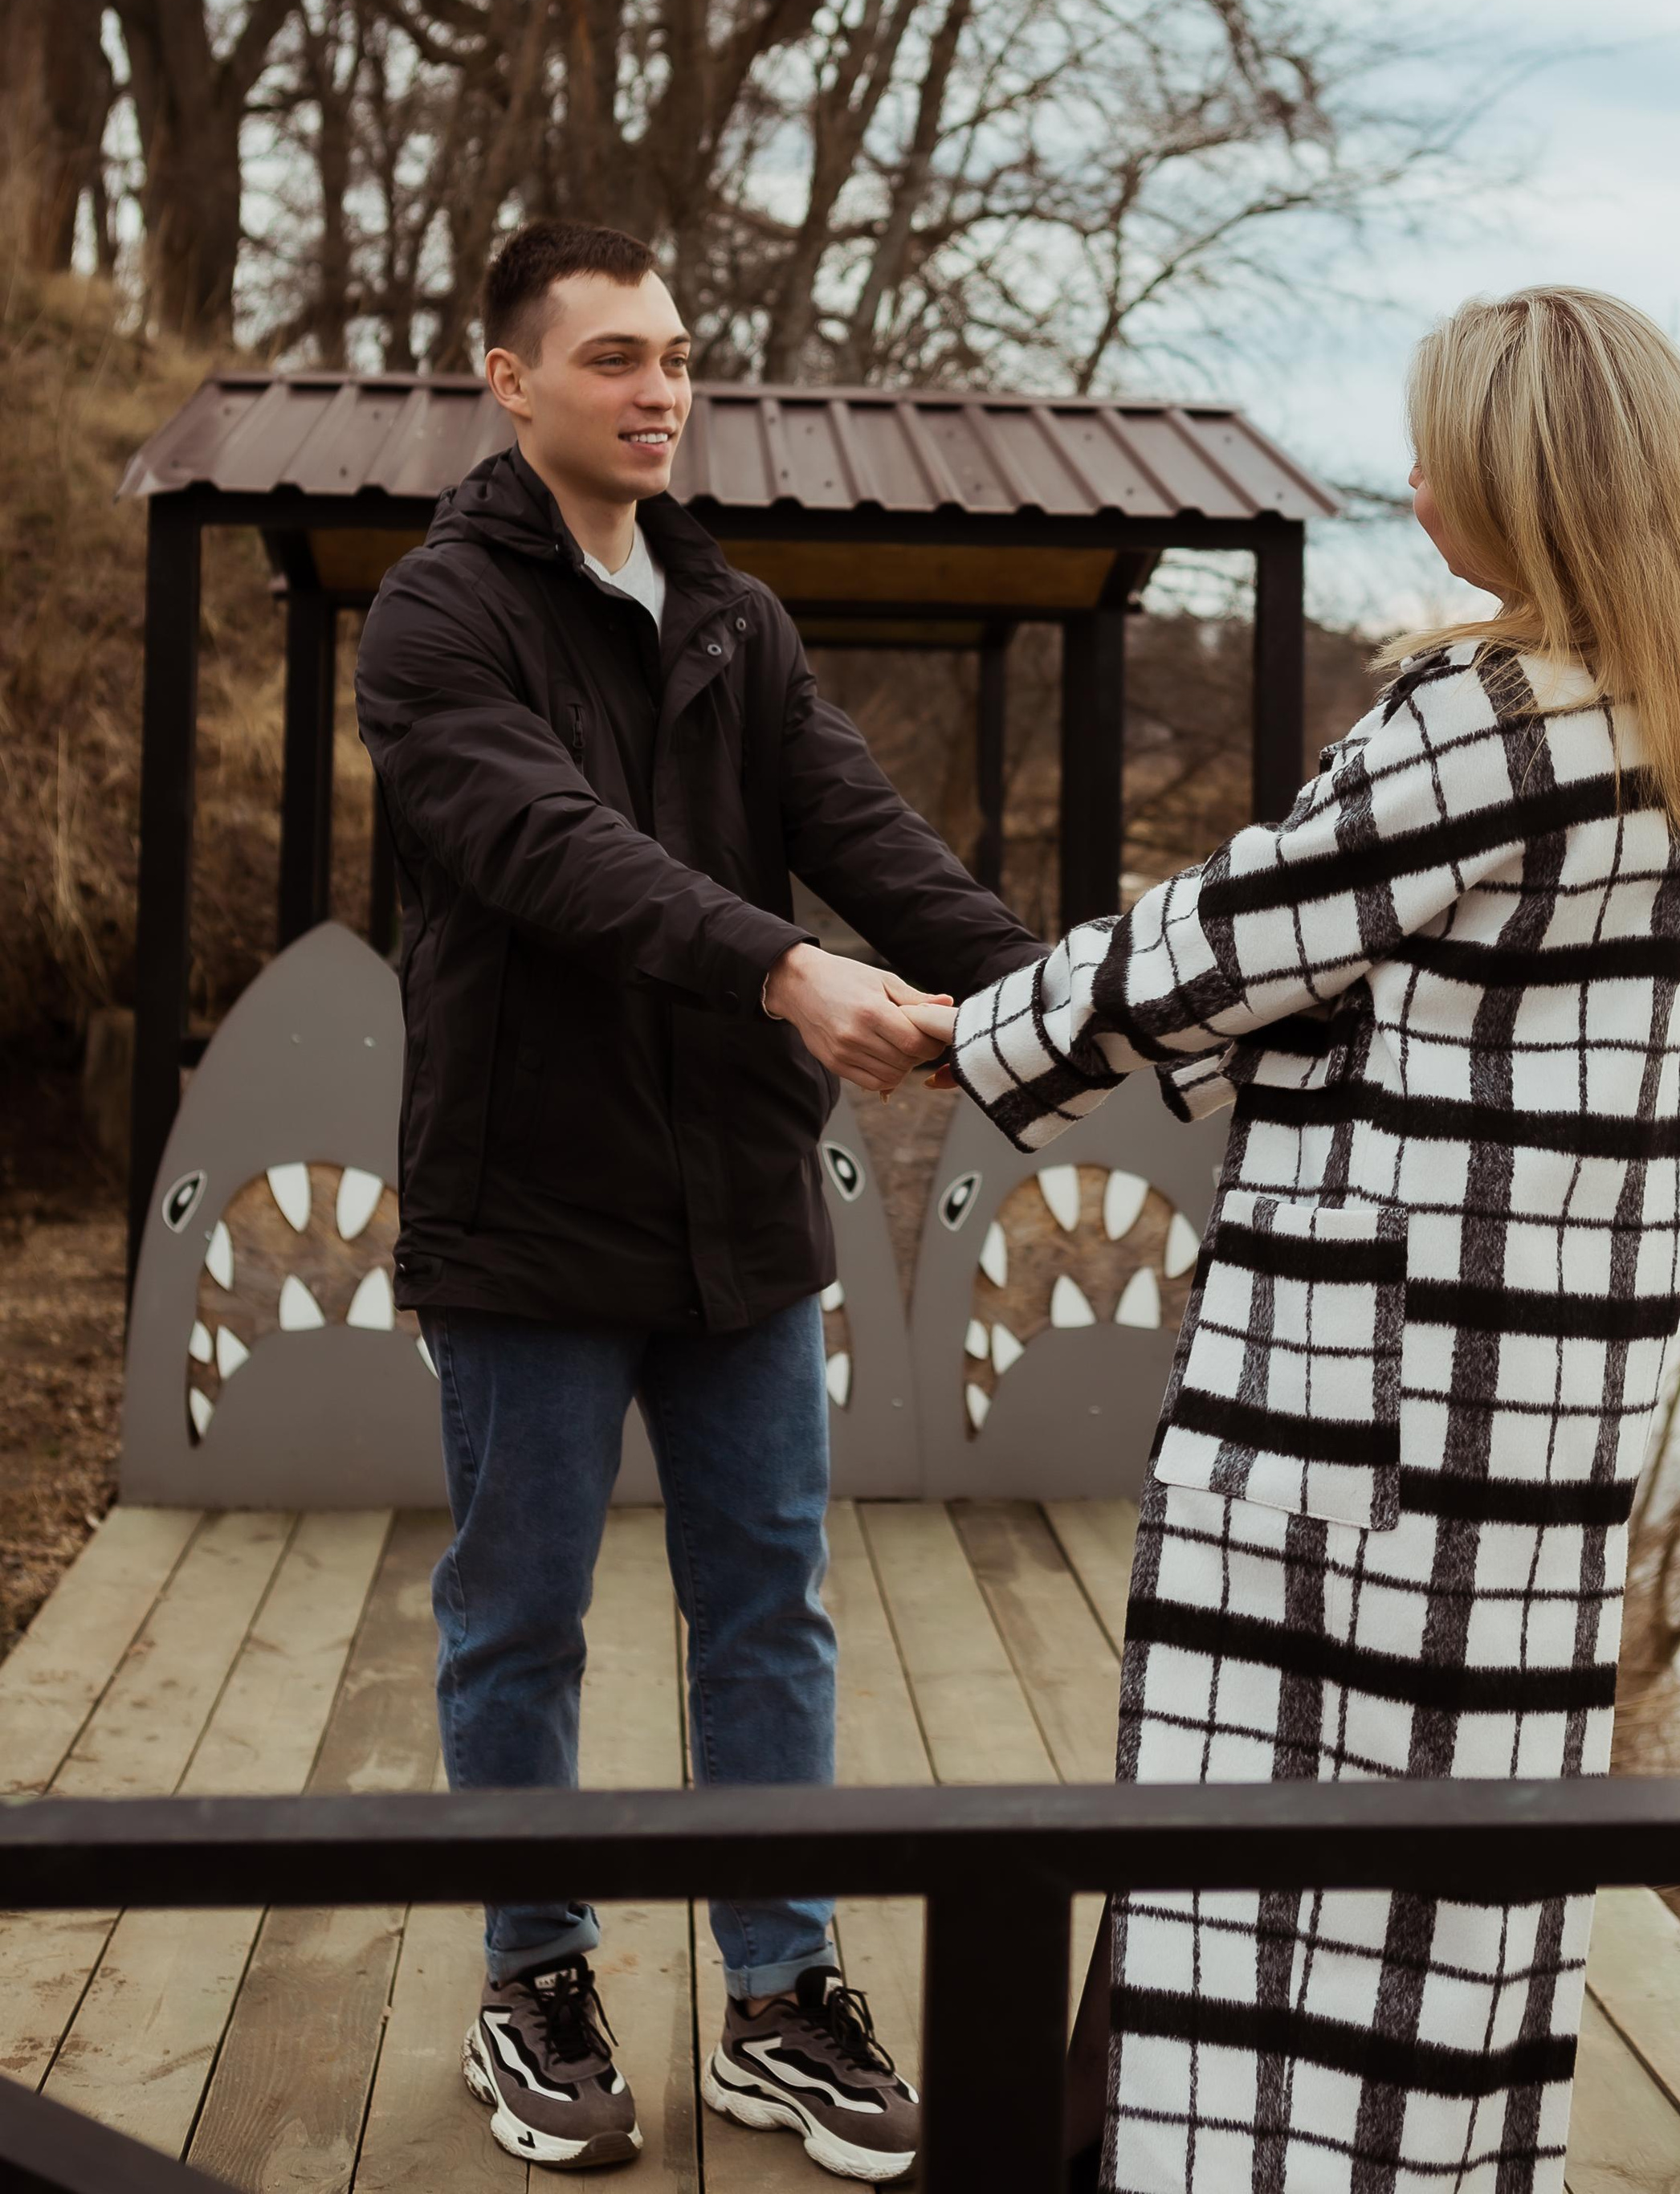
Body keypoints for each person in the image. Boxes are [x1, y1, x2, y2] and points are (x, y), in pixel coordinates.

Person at [945, 286, 1680, 2194]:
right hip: (1532, 1411)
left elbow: (1242, 929)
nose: (1408, 484)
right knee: (1446, 1896)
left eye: (1441, 456)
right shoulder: (1674, 724)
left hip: (1366, 1413)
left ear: (1527, 482)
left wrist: (964, 1036)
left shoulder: (1495, 715)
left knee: (1265, 1868)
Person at [355, 218, 1044, 2181]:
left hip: (737, 1214)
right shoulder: (435, 622)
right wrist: (786, 971)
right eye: (613, 361)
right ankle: (536, 1976)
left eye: (676, 358)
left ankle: (776, 1992)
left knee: (770, 1614)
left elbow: (861, 829)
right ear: (509, 380)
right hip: (529, 1215)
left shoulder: (733, 618)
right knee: (520, 1623)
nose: (660, 391)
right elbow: (549, 849)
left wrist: (1063, 1000)